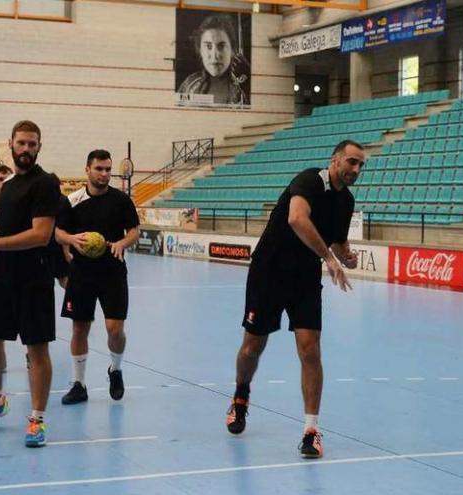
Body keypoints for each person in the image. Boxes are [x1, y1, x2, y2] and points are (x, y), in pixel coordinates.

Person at [226, 140, 363, 459]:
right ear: (335, 160)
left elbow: (339, 241)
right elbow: (297, 219)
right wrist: (329, 258)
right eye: (352, 162)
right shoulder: (309, 180)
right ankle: (241, 396)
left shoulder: (347, 201)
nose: (356, 170)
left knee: (310, 348)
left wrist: (347, 256)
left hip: (304, 276)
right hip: (269, 270)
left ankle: (311, 431)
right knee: (252, 346)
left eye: (361, 165)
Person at [0, 120, 59, 448]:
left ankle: (36, 419)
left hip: (34, 276)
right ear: (11, 144)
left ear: (39, 147)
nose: (27, 149)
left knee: (36, 349)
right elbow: (4, 206)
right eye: (22, 143)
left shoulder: (45, 184)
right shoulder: (14, 183)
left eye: (33, 144)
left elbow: (41, 234)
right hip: (2, 275)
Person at [58, 150, 140, 405]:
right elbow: (58, 232)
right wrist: (71, 239)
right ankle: (79, 384)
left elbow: (134, 230)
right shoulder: (71, 201)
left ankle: (115, 370)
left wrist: (122, 244)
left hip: (113, 271)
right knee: (80, 328)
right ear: (87, 170)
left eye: (108, 170)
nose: (104, 174)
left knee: (115, 330)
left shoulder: (121, 200)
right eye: (99, 169)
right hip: (81, 273)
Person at [177, 14, 250, 105]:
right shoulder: (189, 85)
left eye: (221, 46)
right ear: (200, 50)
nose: (215, 55)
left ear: (233, 50)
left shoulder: (245, 87)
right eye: (208, 46)